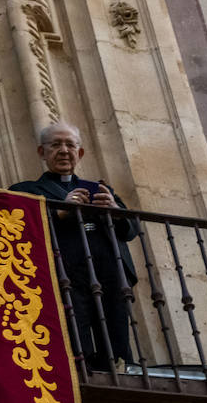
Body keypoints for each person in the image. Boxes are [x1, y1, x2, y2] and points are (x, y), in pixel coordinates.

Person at [11, 123, 140, 370]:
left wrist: (114, 210)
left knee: (116, 333)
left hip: (110, 274)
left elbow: (131, 230)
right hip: (63, 275)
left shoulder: (100, 190)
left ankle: (121, 370)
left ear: (79, 154)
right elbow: (17, 231)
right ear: (41, 152)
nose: (63, 150)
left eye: (70, 145)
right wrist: (60, 213)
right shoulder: (26, 191)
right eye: (55, 144)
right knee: (75, 335)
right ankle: (80, 373)